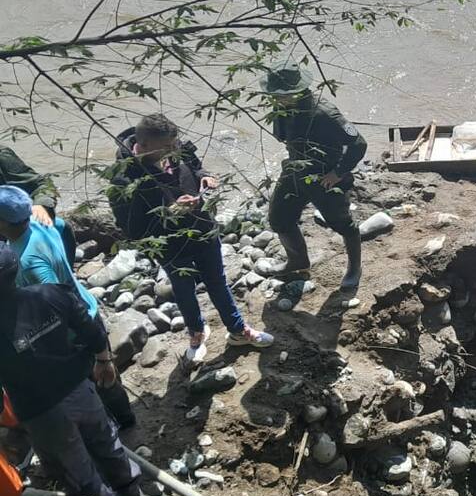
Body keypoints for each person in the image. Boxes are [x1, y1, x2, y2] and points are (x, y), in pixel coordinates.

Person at [0, 245, 146, 496]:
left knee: (78, 473)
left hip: (42, 413)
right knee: (107, 445)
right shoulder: (49, 294)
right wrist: (104, 361)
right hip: (80, 390)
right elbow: (90, 327)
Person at [108, 114, 273, 364]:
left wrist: (204, 175)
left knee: (217, 281)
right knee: (184, 289)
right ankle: (196, 334)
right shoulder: (123, 179)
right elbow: (132, 230)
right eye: (168, 147)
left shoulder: (174, 146)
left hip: (203, 227)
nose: (175, 149)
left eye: (176, 144)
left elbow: (194, 165)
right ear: (143, 145)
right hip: (170, 244)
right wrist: (167, 213)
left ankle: (238, 331)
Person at [0, 185, 136, 429]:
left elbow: (54, 300)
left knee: (93, 380)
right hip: (87, 306)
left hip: (74, 327)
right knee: (108, 374)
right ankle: (126, 419)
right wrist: (67, 268)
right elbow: (65, 229)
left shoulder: (26, 261)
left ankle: (114, 427)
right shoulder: (42, 223)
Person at [261, 63, 368, 291]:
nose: (276, 99)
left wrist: (338, 172)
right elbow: (281, 136)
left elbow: (358, 143)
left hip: (324, 176)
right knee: (279, 218)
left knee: (342, 224)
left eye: (281, 95)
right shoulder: (281, 108)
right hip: (295, 170)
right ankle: (298, 261)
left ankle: (354, 268)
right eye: (274, 95)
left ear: (297, 91)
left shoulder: (324, 113)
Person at [0, 144, 76, 263]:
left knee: (62, 227)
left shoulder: (2, 157)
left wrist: (40, 205)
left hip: (9, 232)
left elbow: (42, 186)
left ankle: (63, 277)